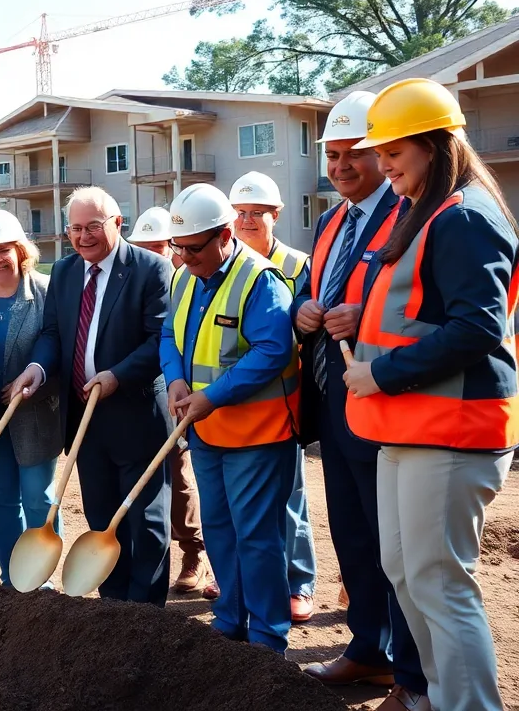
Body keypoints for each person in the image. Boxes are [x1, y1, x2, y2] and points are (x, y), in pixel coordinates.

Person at [344, 78, 518, 711]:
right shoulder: (430, 210)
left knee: (439, 583)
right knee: (407, 575)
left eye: (394, 150)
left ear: (436, 145)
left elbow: (477, 326)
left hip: (451, 428)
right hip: (408, 426)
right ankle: (435, 699)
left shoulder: (466, 216)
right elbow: (418, 311)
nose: (382, 163)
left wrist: (380, 373)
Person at [295, 93, 426, 706]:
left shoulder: (409, 216)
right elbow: (307, 287)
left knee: (391, 545)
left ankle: (409, 673)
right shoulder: (329, 223)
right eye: (333, 154)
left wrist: (360, 321)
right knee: (352, 538)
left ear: (382, 155)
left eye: (354, 154)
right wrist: (305, 311)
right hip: (333, 405)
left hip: (382, 405)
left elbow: (410, 307)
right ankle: (368, 650)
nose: (341, 165)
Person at [12, 188, 173, 604]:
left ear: (117, 224)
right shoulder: (64, 272)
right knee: (101, 516)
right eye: (76, 229)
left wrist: (118, 374)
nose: (84, 237)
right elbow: (53, 334)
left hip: (138, 418)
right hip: (85, 421)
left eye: (94, 227)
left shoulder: (151, 269)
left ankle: (147, 613)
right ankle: (114, 607)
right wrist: (38, 367)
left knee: (146, 521)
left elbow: (160, 340)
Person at [161, 183, 298, 653]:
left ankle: (265, 638)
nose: (185, 257)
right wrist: (175, 379)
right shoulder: (184, 275)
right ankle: (230, 620)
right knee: (219, 528)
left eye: (195, 248)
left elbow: (274, 350)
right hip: (206, 433)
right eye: (178, 247)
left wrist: (212, 396)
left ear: (223, 235)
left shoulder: (260, 280)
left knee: (256, 537)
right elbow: (169, 334)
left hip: (256, 436)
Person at [229, 171, 317, 621]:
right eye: (240, 213)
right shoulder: (227, 266)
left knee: (290, 493)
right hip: (235, 401)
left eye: (256, 213)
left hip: (283, 399)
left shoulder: (298, 266)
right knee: (237, 503)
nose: (247, 221)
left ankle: (299, 581)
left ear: (276, 215)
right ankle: (242, 578)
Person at [0, 209, 61, 587]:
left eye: (5, 249)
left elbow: (60, 346)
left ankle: (43, 578)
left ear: (21, 250)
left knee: (38, 498)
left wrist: (38, 376)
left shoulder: (47, 292)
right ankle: (12, 577)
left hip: (36, 414)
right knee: (2, 501)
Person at [129, 205, 208, 593]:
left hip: (179, 394)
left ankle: (194, 551)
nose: (152, 254)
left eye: (159, 246)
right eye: (144, 247)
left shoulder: (187, 281)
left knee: (179, 476)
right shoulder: (135, 280)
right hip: (138, 396)